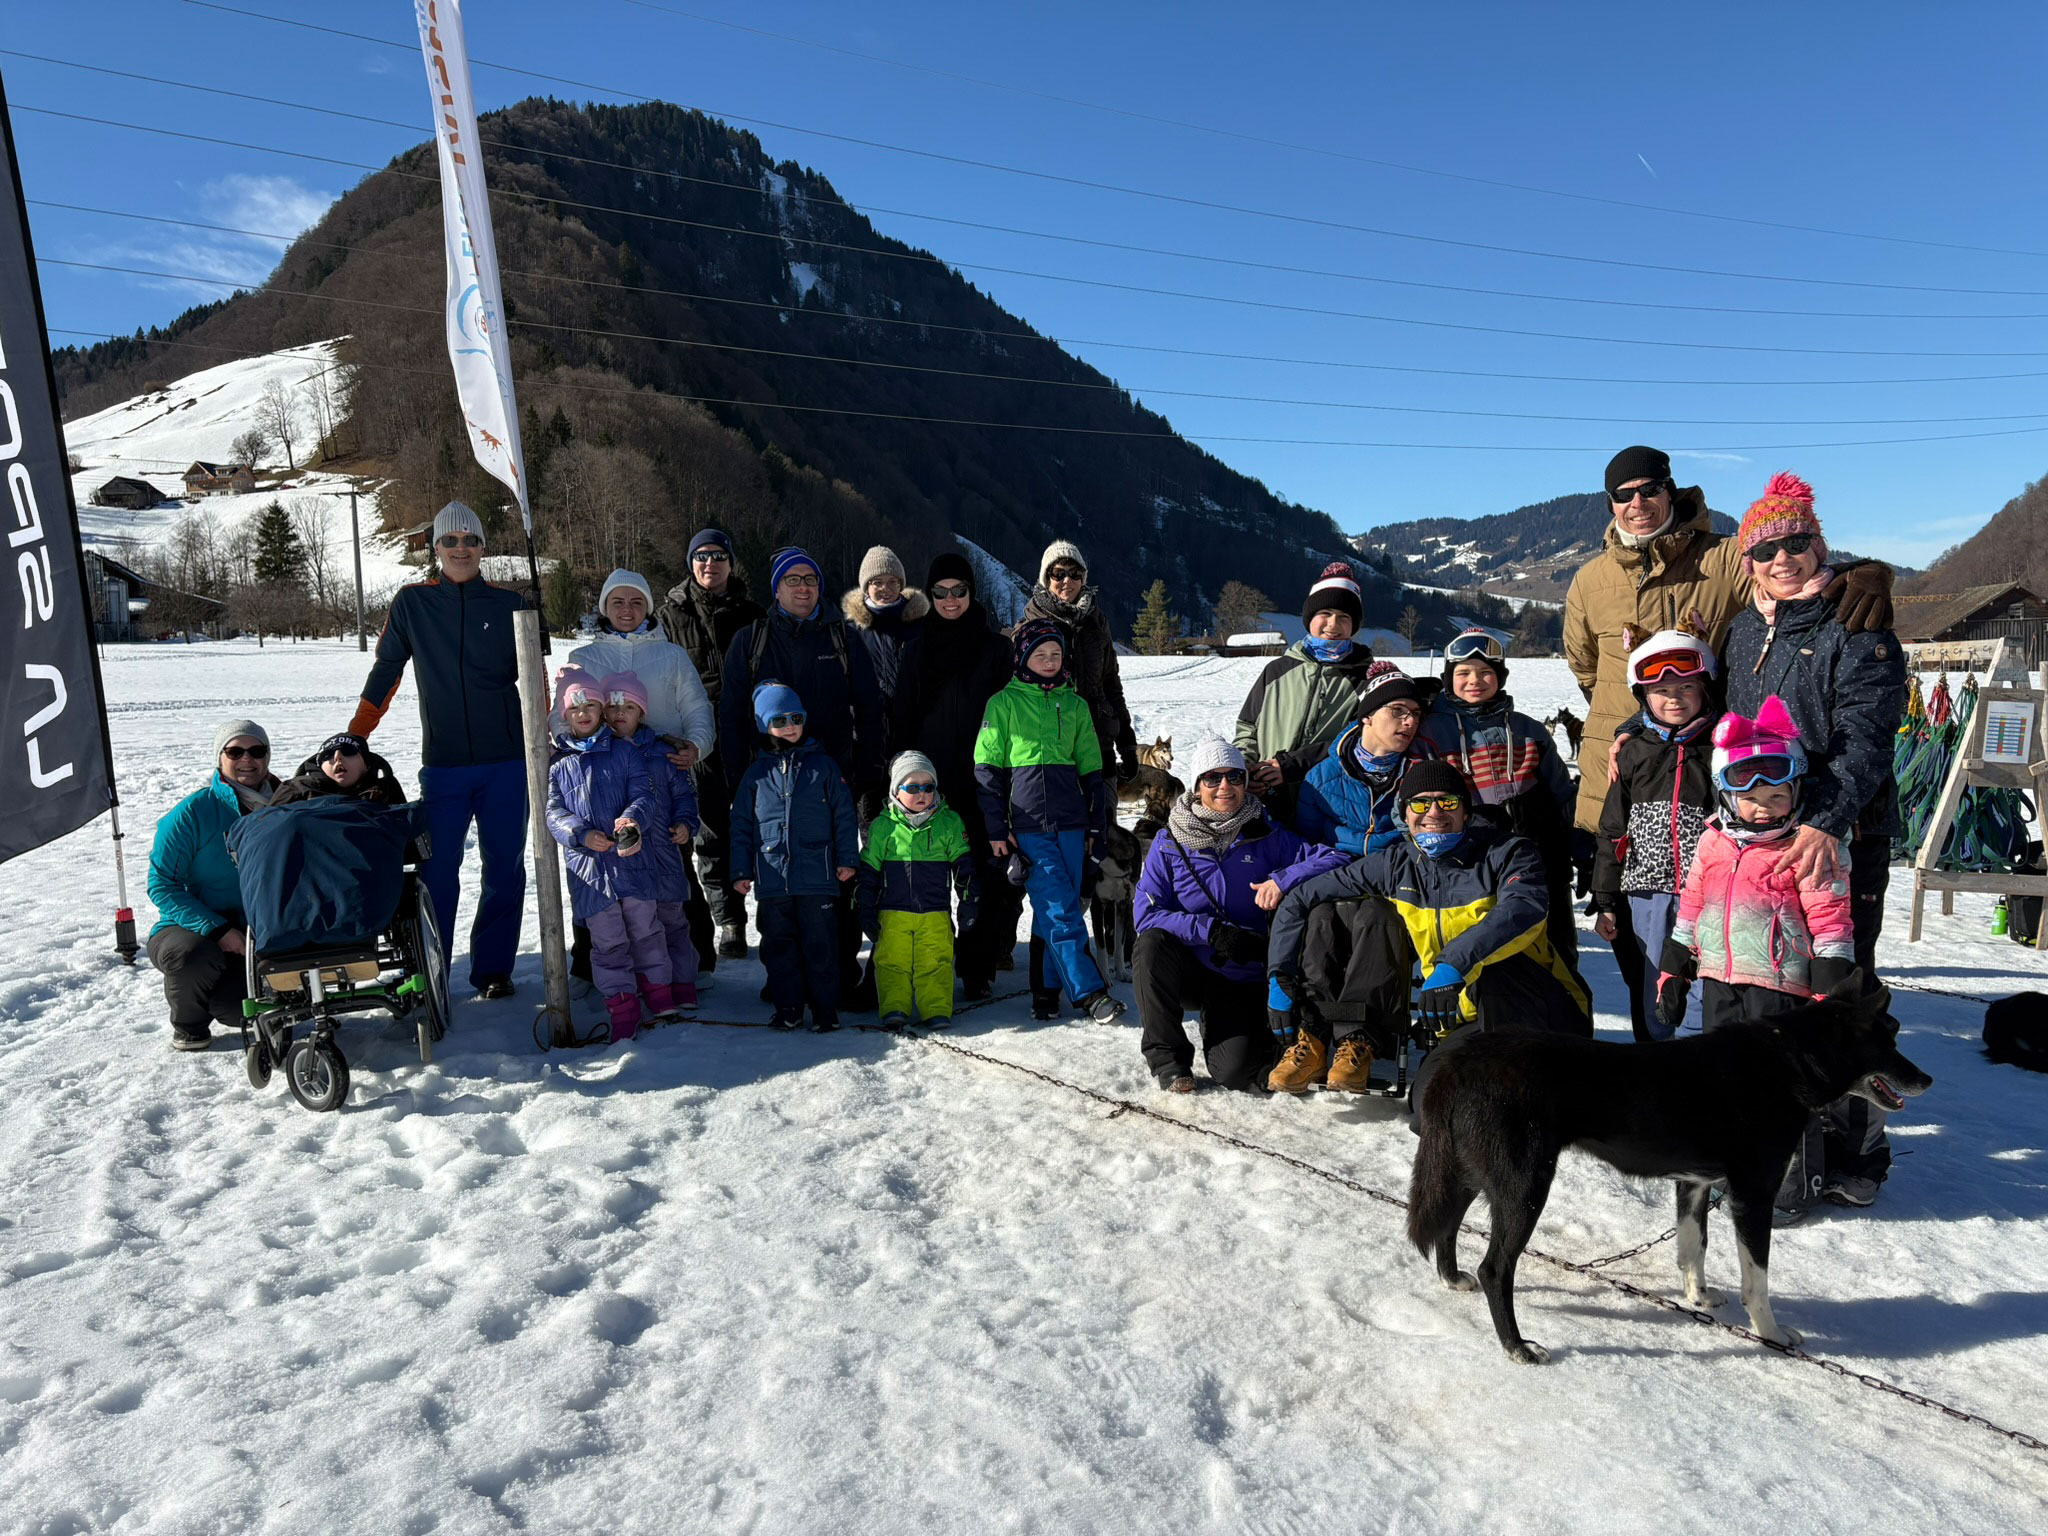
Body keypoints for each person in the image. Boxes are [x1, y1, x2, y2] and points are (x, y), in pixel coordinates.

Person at [1720, 473, 1906, 1206]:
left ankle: (1858, 1148)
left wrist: (1820, 822)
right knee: (1780, 990)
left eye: (1797, 542)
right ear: (1749, 564)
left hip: (1843, 838)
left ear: (1819, 542)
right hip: (1764, 842)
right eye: (1766, 549)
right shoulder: (1741, 630)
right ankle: (1794, 1143)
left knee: (1844, 993)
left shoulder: (1854, 624)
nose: (1783, 559)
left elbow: (1867, 740)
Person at [1562, 446, 1894, 836]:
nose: (1638, 502)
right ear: (1610, 504)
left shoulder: (1724, 557)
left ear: (1670, 490)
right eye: (1623, 494)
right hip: (1626, 763)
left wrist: (1864, 574)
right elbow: (1585, 668)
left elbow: (1785, 574)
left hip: (1716, 774)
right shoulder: (1589, 579)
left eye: (1650, 488)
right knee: (1620, 884)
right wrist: (1642, 721)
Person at [1267, 760, 1592, 1111]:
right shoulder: (1398, 864)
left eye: (1448, 802)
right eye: (1420, 803)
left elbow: (1523, 909)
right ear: (1404, 815)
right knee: (1429, 1109)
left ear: (1466, 811)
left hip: (1532, 1005)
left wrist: (1453, 965)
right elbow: (1301, 897)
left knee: (1507, 1096)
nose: (1434, 812)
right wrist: (1279, 973)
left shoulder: (1509, 853)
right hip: (1458, 1018)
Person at [1655, 700, 1858, 1214]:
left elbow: (1831, 922)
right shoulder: (1712, 842)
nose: (1764, 806)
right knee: (1723, 1081)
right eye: (1750, 797)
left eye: (1776, 794)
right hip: (1720, 981)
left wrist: (1827, 990)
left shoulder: (1809, 849)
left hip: (1779, 987)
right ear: (1727, 794)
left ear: (1796, 793)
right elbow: (1692, 906)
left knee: (1780, 1091)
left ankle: (1788, 1184)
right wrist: (1674, 967)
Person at [349, 501, 527, 999]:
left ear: (484, 547)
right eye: (450, 541)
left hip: (508, 763)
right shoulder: (413, 603)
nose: (461, 548)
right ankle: (432, 969)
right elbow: (386, 670)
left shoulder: (511, 605)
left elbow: (535, 680)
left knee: (505, 867)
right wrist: (356, 736)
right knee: (437, 871)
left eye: (470, 540)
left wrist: (547, 736)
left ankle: (493, 970)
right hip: (445, 766)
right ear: (435, 549)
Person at [1134, 735, 1348, 1093]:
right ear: (1198, 783)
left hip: (1241, 972)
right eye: (1212, 778)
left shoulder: (1266, 834)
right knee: (1150, 946)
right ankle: (1169, 1061)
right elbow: (1147, 914)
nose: (1224, 787)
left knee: (1235, 1072)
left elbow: (1334, 858)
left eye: (1234, 777)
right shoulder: (1169, 841)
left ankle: (1247, 1037)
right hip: (1189, 966)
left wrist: (1282, 879)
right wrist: (1210, 931)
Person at [719, 546, 884, 1000]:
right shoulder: (751, 640)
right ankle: (786, 981)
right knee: (778, 885)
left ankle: (840, 974)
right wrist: (739, 779)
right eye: (792, 580)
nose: (803, 587)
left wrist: (868, 770)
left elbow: (869, 707)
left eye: (810, 579)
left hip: (833, 783)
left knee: (838, 880)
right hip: (770, 789)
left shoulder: (842, 639)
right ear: (776, 588)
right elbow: (731, 714)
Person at [1280, 660, 1439, 1091]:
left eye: (1414, 714)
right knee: (1319, 921)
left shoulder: (1421, 773)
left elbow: (1430, 835)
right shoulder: (1322, 776)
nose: (1408, 722)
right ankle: (1312, 1037)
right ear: (1368, 716)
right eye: (1397, 712)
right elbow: (1307, 843)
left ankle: (1358, 1042)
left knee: (1378, 920)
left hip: (1393, 881)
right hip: (1335, 876)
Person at [568, 568, 715, 985]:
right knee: (599, 869)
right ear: (604, 608)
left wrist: (696, 746)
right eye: (617, 602)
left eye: (636, 602)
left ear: (648, 608)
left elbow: (696, 708)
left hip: (660, 774)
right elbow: (565, 714)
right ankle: (589, 964)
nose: (627, 610)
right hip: (601, 780)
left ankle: (695, 958)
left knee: (672, 862)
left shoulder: (670, 655)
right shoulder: (586, 658)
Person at [975, 619, 1124, 1023]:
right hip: (1028, 827)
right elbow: (987, 772)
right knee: (1059, 907)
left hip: (1073, 825)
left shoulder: (1074, 705)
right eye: (1039, 653)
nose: (1048, 660)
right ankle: (1091, 992)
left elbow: (1092, 774)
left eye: (1055, 653)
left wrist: (1096, 826)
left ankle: (1045, 992)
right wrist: (995, 827)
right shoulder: (1002, 704)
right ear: (1022, 657)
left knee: (1055, 910)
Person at [890, 551, 1017, 997]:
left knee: (982, 879)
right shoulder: (917, 649)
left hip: (983, 784)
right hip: (929, 786)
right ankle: (931, 961)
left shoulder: (997, 649)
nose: (949, 599)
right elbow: (902, 718)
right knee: (926, 881)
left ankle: (976, 968)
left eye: (958, 590)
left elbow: (1013, 720)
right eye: (940, 592)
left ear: (971, 593)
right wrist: (901, 779)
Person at [1589, 629, 1722, 1040]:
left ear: (1706, 690)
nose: (1674, 698)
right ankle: (1660, 1060)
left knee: (1705, 980)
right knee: (1656, 980)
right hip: (1649, 894)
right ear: (1643, 697)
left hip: (1710, 893)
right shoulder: (1633, 753)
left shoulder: (1720, 748)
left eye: (1686, 687)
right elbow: (1612, 831)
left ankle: (1701, 1057)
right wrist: (1606, 900)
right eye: (1660, 690)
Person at [1419, 627, 1577, 960]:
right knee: (1484, 953)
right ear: (1449, 679)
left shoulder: (1527, 729)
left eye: (1485, 672)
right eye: (1463, 673)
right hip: (1469, 861)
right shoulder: (1432, 732)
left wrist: (1577, 845)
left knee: (1553, 954)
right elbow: (1416, 800)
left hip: (1538, 856)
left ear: (1500, 677)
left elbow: (1563, 793)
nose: (1475, 681)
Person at [656, 528, 765, 960]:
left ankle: (774, 914)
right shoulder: (669, 615)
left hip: (750, 735)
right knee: (710, 831)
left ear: (730, 563)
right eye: (701, 555)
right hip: (695, 740)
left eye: (719, 555)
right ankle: (730, 922)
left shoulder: (753, 612)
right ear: (690, 562)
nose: (710, 563)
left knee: (763, 827)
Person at [730, 683, 860, 1031]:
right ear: (763, 725)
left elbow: (844, 816)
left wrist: (848, 858)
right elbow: (741, 824)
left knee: (822, 947)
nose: (789, 726)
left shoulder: (824, 767)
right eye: (779, 720)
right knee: (779, 948)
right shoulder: (756, 775)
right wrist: (741, 869)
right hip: (773, 878)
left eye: (796, 718)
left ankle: (825, 1011)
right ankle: (789, 1008)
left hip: (818, 876)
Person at [546, 667, 665, 1043]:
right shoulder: (558, 763)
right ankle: (623, 1011)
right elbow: (552, 812)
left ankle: (661, 1000)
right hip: (591, 872)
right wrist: (580, 834)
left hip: (632, 862)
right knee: (609, 943)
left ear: (600, 710)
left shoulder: (625, 752)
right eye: (575, 707)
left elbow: (645, 794)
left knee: (646, 932)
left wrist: (633, 819)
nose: (583, 713)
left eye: (590, 706)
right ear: (565, 715)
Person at [146, 720, 278, 1051]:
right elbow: (162, 884)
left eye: (256, 751)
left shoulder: (288, 803)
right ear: (219, 758)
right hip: (190, 927)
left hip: (257, 929)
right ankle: (189, 1024)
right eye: (235, 751)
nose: (247, 759)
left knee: (237, 1009)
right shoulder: (194, 812)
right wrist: (218, 930)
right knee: (192, 956)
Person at [1233, 561, 1380, 828]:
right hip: (1264, 800)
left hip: (1325, 806)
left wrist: (1289, 766)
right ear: (1309, 618)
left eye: (1344, 617)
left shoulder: (1364, 679)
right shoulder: (1277, 670)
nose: (1333, 624)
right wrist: (1247, 771)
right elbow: (1247, 728)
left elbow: (1360, 740)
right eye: (1325, 613)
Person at [603, 670, 701, 1017]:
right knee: (642, 927)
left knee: (673, 921)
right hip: (629, 858)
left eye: (628, 707)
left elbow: (685, 796)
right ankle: (652, 986)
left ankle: (683, 983)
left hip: (665, 852)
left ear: (641, 712)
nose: (620, 715)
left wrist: (686, 824)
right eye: (614, 708)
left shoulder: (662, 753)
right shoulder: (604, 754)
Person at [857, 750, 978, 1031]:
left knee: (935, 961)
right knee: (891, 962)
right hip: (893, 913)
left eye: (928, 787)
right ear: (895, 791)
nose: (922, 793)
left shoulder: (949, 823)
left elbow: (964, 868)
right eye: (913, 787)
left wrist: (969, 900)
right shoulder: (883, 828)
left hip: (934, 912)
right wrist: (864, 908)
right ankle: (894, 1008)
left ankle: (935, 1009)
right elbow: (868, 873)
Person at [1017, 541, 1139, 785]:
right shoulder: (1029, 628)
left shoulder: (1096, 622)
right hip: (1051, 754)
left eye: (1075, 574)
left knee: (1103, 820)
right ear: (1045, 578)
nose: (1067, 581)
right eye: (1058, 573)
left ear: (1084, 578)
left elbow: (1110, 682)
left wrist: (1126, 741)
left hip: (1098, 744)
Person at [841, 546, 929, 748]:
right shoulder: (850, 633)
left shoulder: (921, 626)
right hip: (867, 738)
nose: (885, 588)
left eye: (892, 582)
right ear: (865, 586)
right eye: (877, 582)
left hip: (917, 734)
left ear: (901, 584)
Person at [271, 732, 406, 807]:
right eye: (327, 755)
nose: (338, 757)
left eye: (348, 751)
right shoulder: (297, 789)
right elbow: (264, 831)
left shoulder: (386, 791)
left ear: (366, 764)